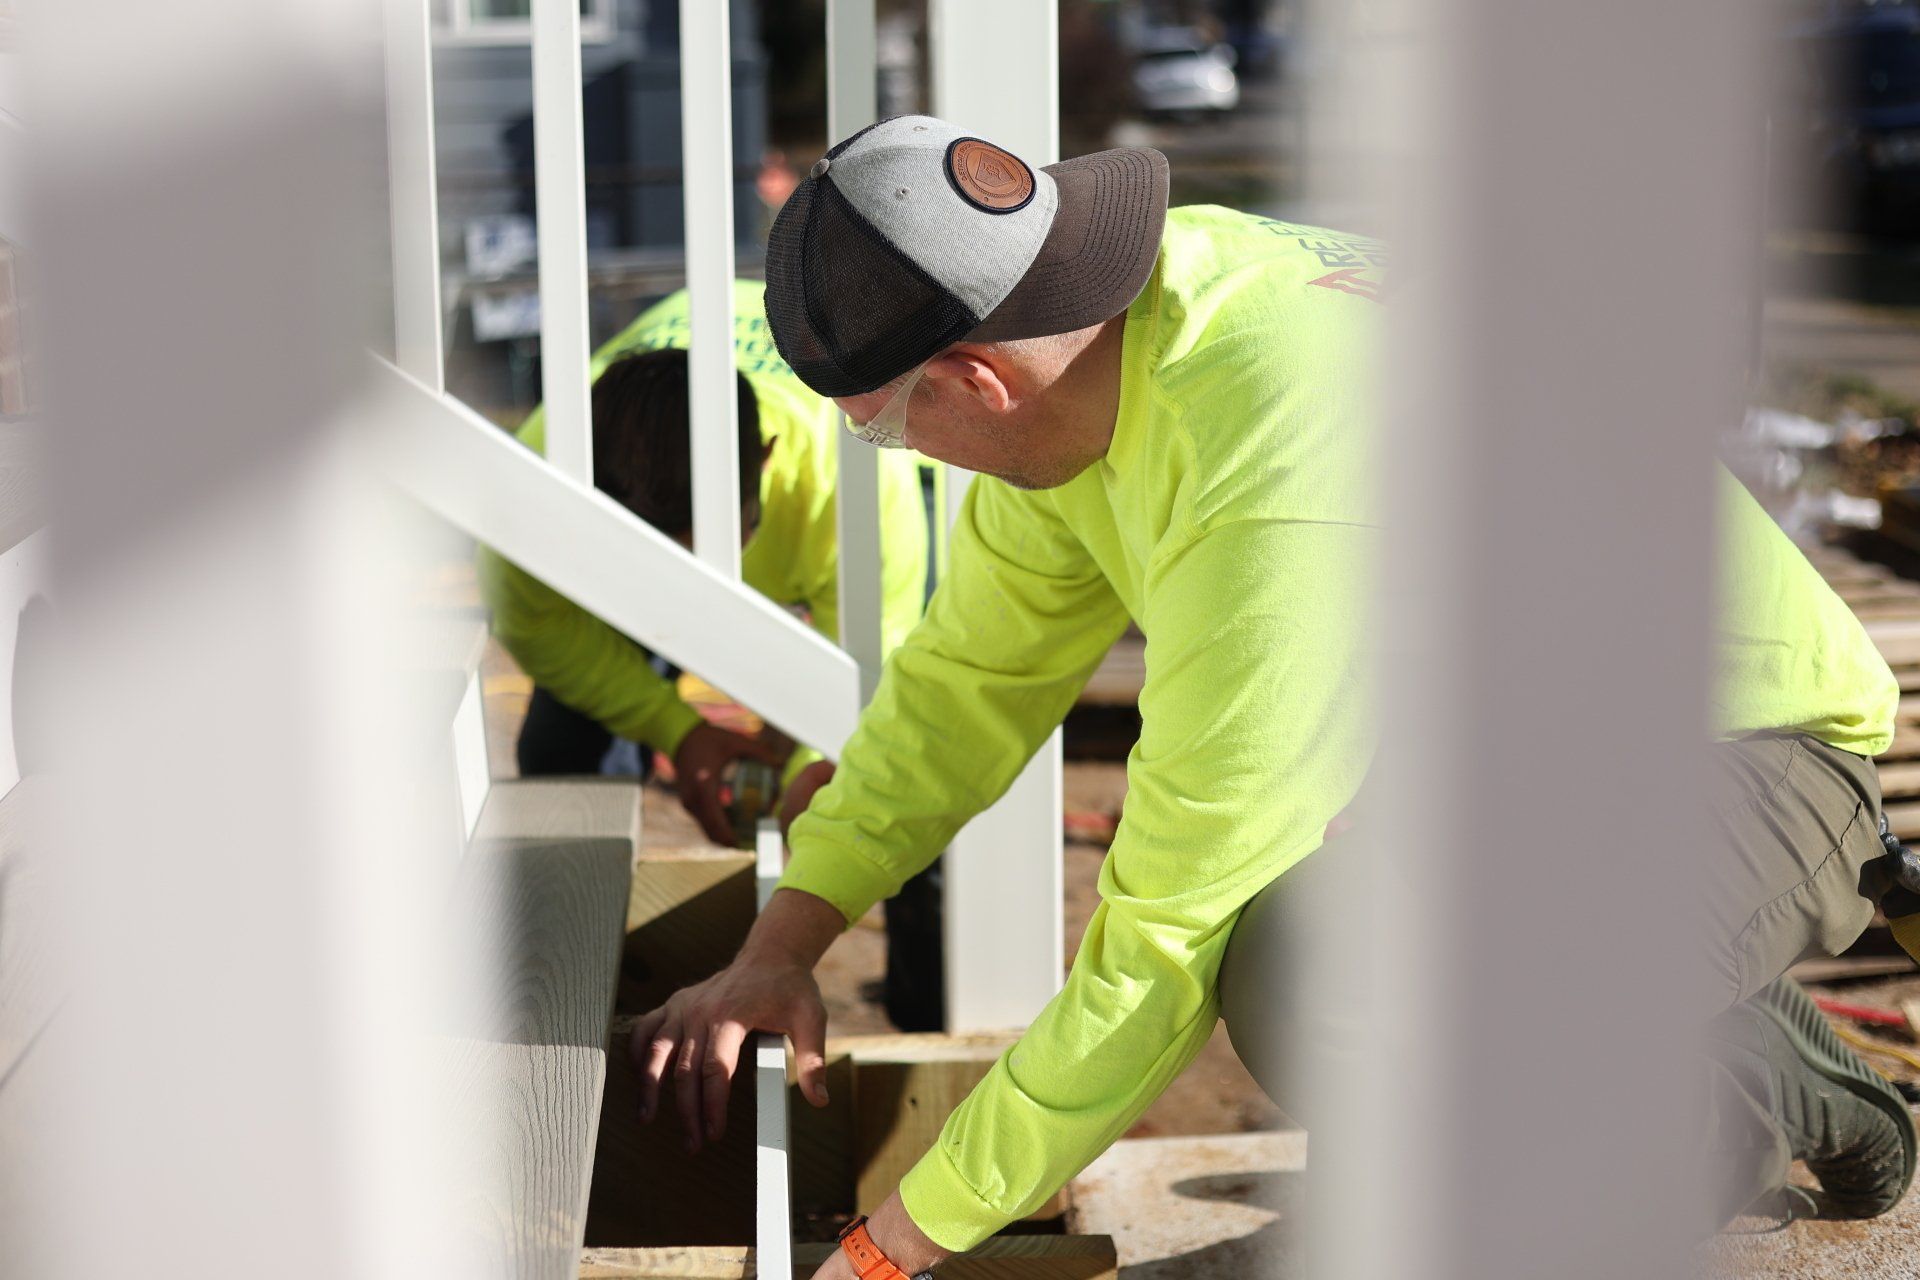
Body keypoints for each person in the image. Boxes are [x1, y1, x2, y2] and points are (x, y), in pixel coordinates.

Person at [628, 116, 1916, 1279]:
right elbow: (962, 692)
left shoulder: (1269, 453)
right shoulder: (1103, 353)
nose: (897, 453)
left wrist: (891, 1248)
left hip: (1747, 748)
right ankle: (1736, 1054)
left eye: (884, 428)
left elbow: (1159, 952)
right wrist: (780, 946)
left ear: (976, 382)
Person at [477, 281, 950, 1029]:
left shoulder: (854, 482)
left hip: (848, 519)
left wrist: (810, 770)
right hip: (652, 525)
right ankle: (569, 986)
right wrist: (679, 729)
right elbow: (538, 621)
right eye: (661, 565)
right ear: (587, 500)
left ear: (764, 462)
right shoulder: (542, 471)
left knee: (923, 773)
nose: (702, 590)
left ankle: (930, 1011)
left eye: (725, 545)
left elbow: (868, 669)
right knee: (562, 746)